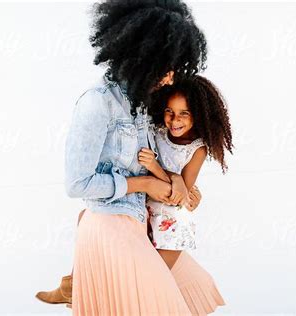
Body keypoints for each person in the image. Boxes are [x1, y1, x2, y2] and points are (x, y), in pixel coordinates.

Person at [37, 1, 225, 314]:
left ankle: (76, 283)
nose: (169, 78)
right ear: (140, 57)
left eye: (175, 68)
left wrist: (180, 183)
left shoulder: (146, 106)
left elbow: (161, 159)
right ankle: (78, 281)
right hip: (108, 224)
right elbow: (77, 184)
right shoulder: (97, 104)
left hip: (142, 224)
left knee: (195, 288)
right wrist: (144, 184)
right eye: (165, 67)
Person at [140, 74, 234, 270]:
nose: (175, 120)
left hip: (172, 223)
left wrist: (155, 167)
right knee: (136, 272)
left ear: (198, 114)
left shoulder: (197, 149)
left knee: (156, 277)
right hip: (145, 212)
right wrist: (174, 177)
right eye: (169, 111)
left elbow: (180, 195)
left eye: (184, 113)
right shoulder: (156, 132)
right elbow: (177, 183)